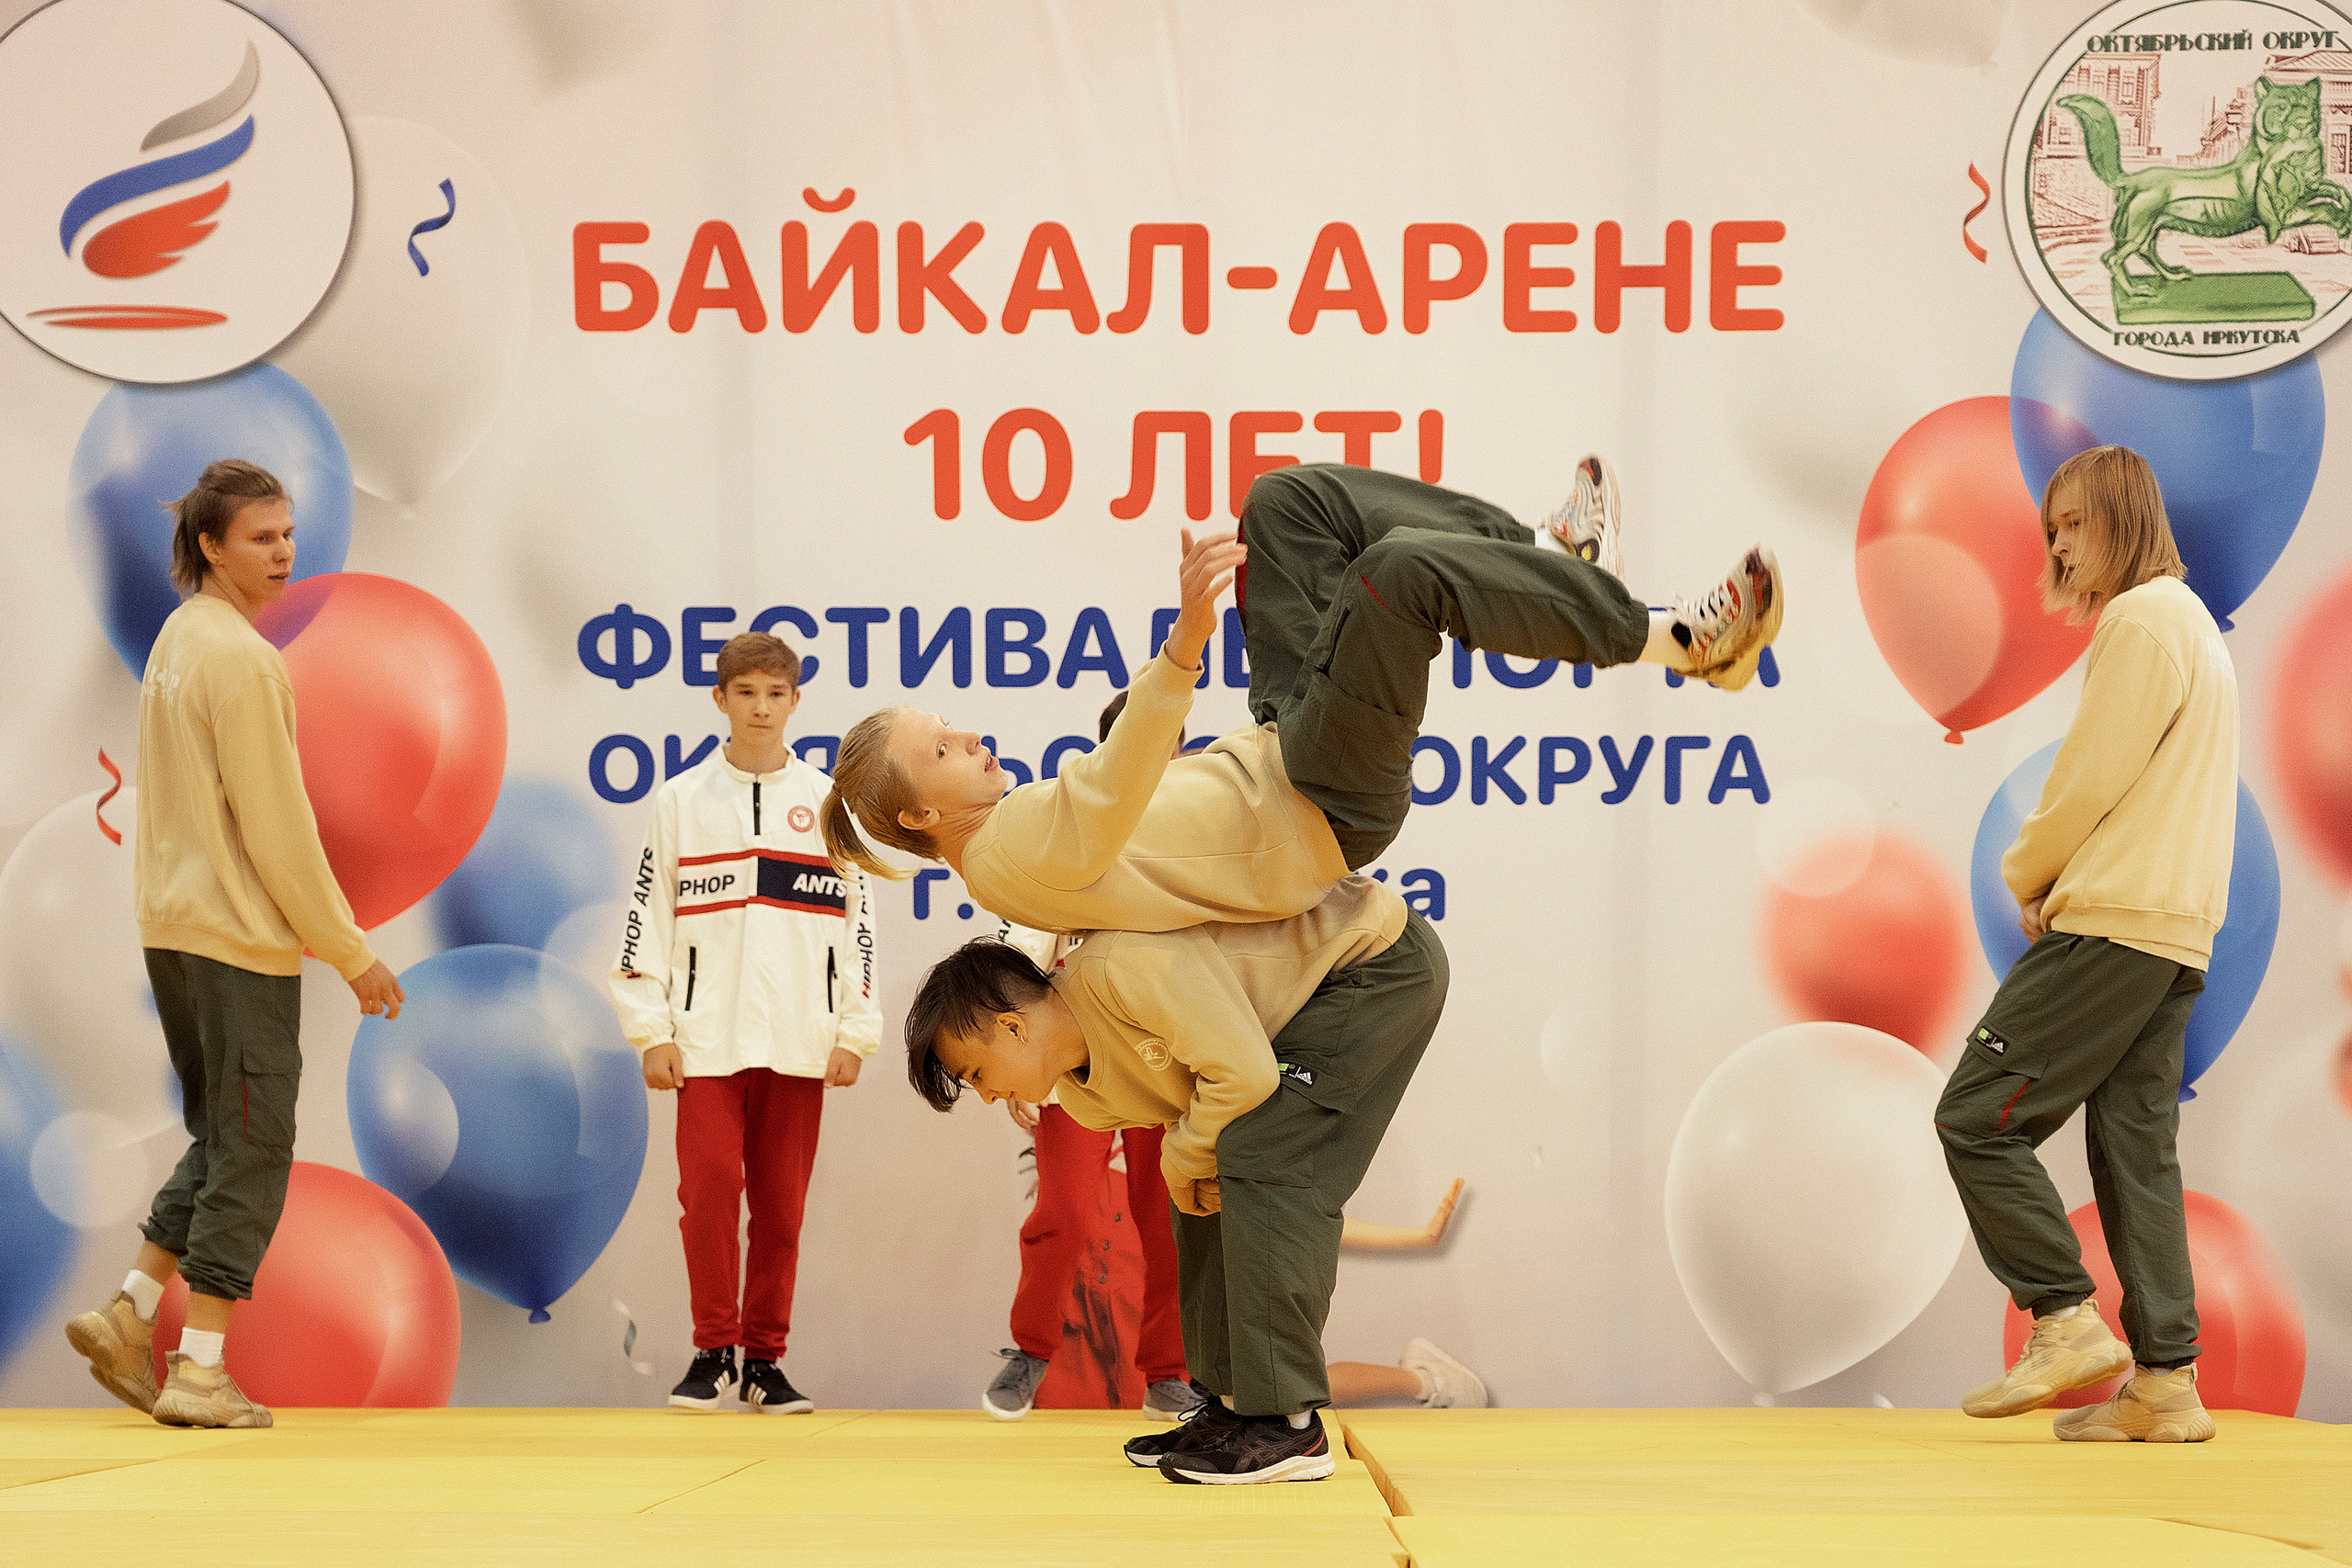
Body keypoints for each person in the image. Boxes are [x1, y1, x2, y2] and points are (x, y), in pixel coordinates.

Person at [822, 459, 1783, 934]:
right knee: (1396, 575)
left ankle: (1541, 554)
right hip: (1321, 799)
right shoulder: (1002, 854)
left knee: (1284, 506)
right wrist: (1186, 643)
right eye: (944, 748)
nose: (970, 737)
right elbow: (1108, 793)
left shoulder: (1014, 844)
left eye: (950, 727)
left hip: (1285, 747)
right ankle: (1685, 642)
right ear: (919, 813)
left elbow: (1116, 804)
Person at [63, 459, 404, 1430]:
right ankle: (201, 1370)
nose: (284, 550)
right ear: (210, 547)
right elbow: (278, 828)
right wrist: (349, 951)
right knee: (255, 1150)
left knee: (223, 1138)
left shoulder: (181, 637)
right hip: (234, 940)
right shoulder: (244, 661)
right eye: (262, 537)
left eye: (288, 533)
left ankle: (129, 1313)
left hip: (172, 929)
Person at [908, 874, 1449, 1484]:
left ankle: (1291, 1425)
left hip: (1374, 965)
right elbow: (1192, 1121)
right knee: (1199, 1186)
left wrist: (1186, 1159)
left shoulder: (1120, 969)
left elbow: (1242, 1076)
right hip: (1308, 1000)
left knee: (1260, 1155)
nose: (984, 1095)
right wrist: (1190, 1165)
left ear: (1013, 1027)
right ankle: (1227, 1403)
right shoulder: (1084, 1099)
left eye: (977, 1073)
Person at [1934, 446, 2235, 1444]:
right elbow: (2147, 790)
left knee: (1977, 1114)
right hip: (2173, 930)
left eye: (2075, 521)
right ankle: (2166, 1385)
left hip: (2116, 923)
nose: (2060, 543)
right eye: (2051, 527)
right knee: (2134, 1150)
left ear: (2125, 516)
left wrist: (2031, 874)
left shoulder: (2142, 619)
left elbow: (2089, 778)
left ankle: (2062, 1319)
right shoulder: (2191, 626)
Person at [608, 631, 881, 1415]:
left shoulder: (832, 806)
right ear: (719, 699)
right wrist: (651, 1027)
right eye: (746, 692)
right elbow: (645, 919)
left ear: (796, 701)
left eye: (776, 693)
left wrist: (853, 1029)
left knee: (782, 1208)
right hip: (703, 1042)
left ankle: (765, 1358)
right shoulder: (680, 802)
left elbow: (859, 924)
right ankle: (712, 1348)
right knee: (711, 1191)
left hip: (801, 1040)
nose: (761, 708)